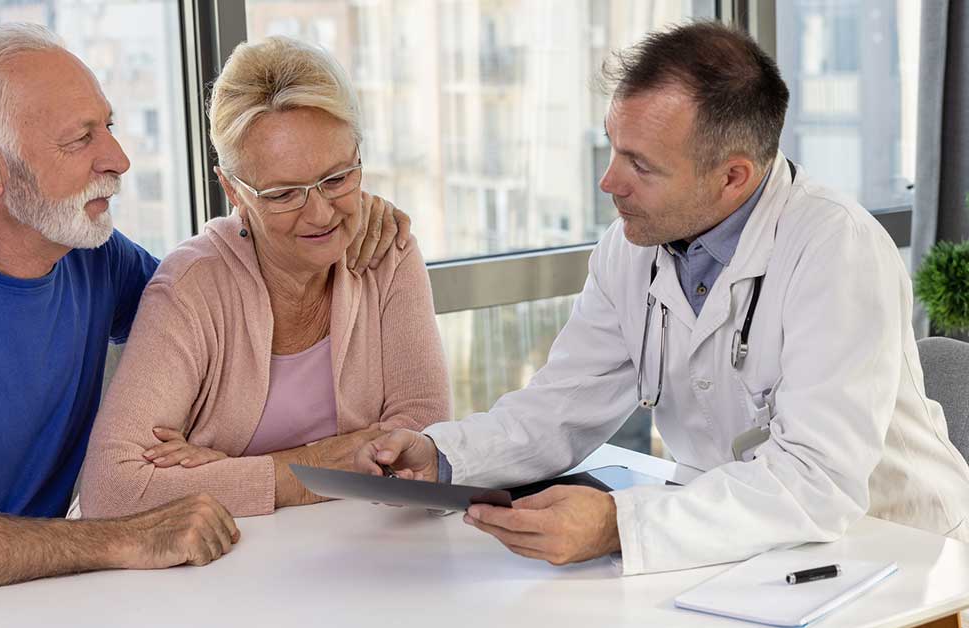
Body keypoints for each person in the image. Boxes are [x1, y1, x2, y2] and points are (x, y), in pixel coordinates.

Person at [0, 24, 407, 594]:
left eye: (110, 125)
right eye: (81, 139)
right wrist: (125, 536)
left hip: (26, 589)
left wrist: (334, 218)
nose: (119, 160)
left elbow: (230, 318)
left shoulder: (92, 255)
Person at [356, 22, 969, 576]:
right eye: (612, 146)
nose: (609, 181)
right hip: (725, 544)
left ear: (733, 176)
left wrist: (618, 525)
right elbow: (561, 407)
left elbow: (815, 480)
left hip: (892, 553)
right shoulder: (632, 246)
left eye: (640, 165)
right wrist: (443, 455)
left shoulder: (837, 249)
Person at [78, 36, 449, 519]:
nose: (320, 213)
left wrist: (226, 472)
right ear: (232, 189)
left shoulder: (386, 253)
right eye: (283, 194)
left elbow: (424, 446)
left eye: (337, 179)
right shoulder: (193, 285)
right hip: (224, 574)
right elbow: (111, 491)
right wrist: (314, 465)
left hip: (368, 558)